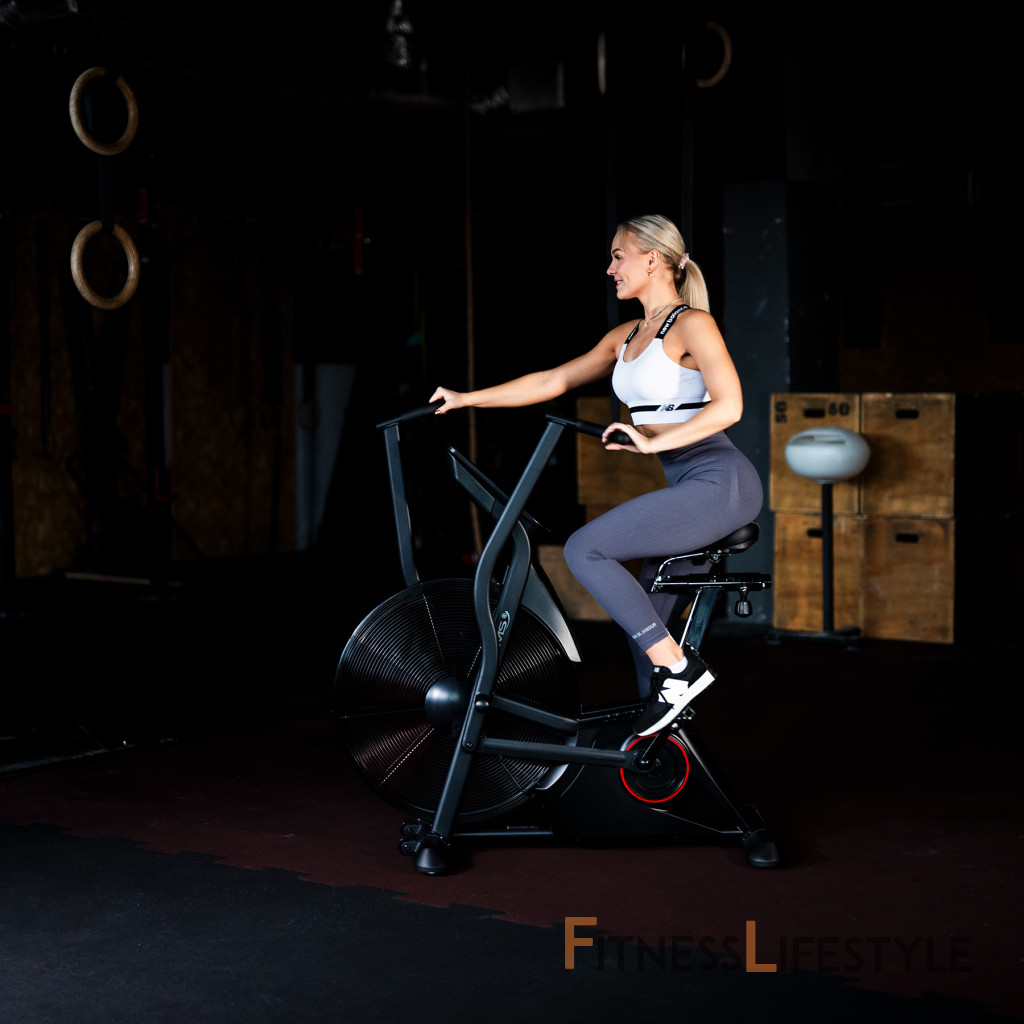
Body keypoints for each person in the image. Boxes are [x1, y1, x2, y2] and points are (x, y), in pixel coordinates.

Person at [430, 214, 762, 737]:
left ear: (652, 259)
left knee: (585, 549)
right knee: (643, 624)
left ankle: (681, 673)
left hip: (722, 483)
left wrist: (651, 441)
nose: (610, 268)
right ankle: (659, 749)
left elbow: (731, 406)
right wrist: (467, 398)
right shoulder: (625, 336)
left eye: (617, 255)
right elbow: (554, 379)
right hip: (688, 484)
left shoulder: (692, 324)